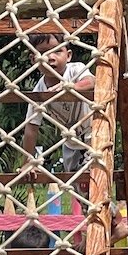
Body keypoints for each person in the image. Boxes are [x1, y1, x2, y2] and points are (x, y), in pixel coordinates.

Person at [21, 33, 95, 175]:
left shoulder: (75, 70)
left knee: (92, 178)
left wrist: (71, 87)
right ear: (33, 59)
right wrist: (27, 161)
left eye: (57, 51)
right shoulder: (39, 92)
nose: (51, 57)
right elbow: (31, 128)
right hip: (70, 142)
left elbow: (91, 81)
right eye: (43, 52)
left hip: (93, 135)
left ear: (68, 55)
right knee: (74, 183)